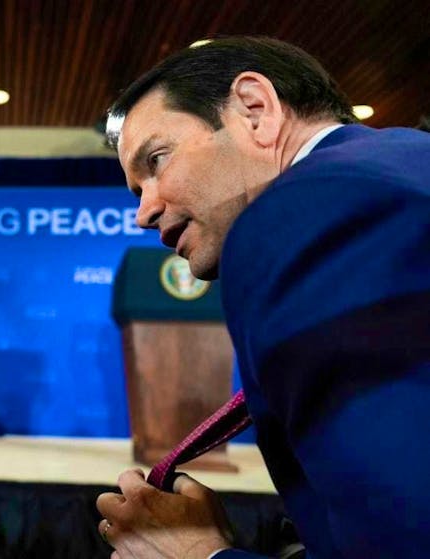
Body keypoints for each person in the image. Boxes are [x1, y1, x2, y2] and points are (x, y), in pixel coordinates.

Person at [96, 36, 430, 558]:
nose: (144, 212)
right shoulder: (402, 166)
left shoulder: (308, 210)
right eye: (137, 192)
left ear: (255, 109)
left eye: (156, 161)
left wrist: (203, 557)